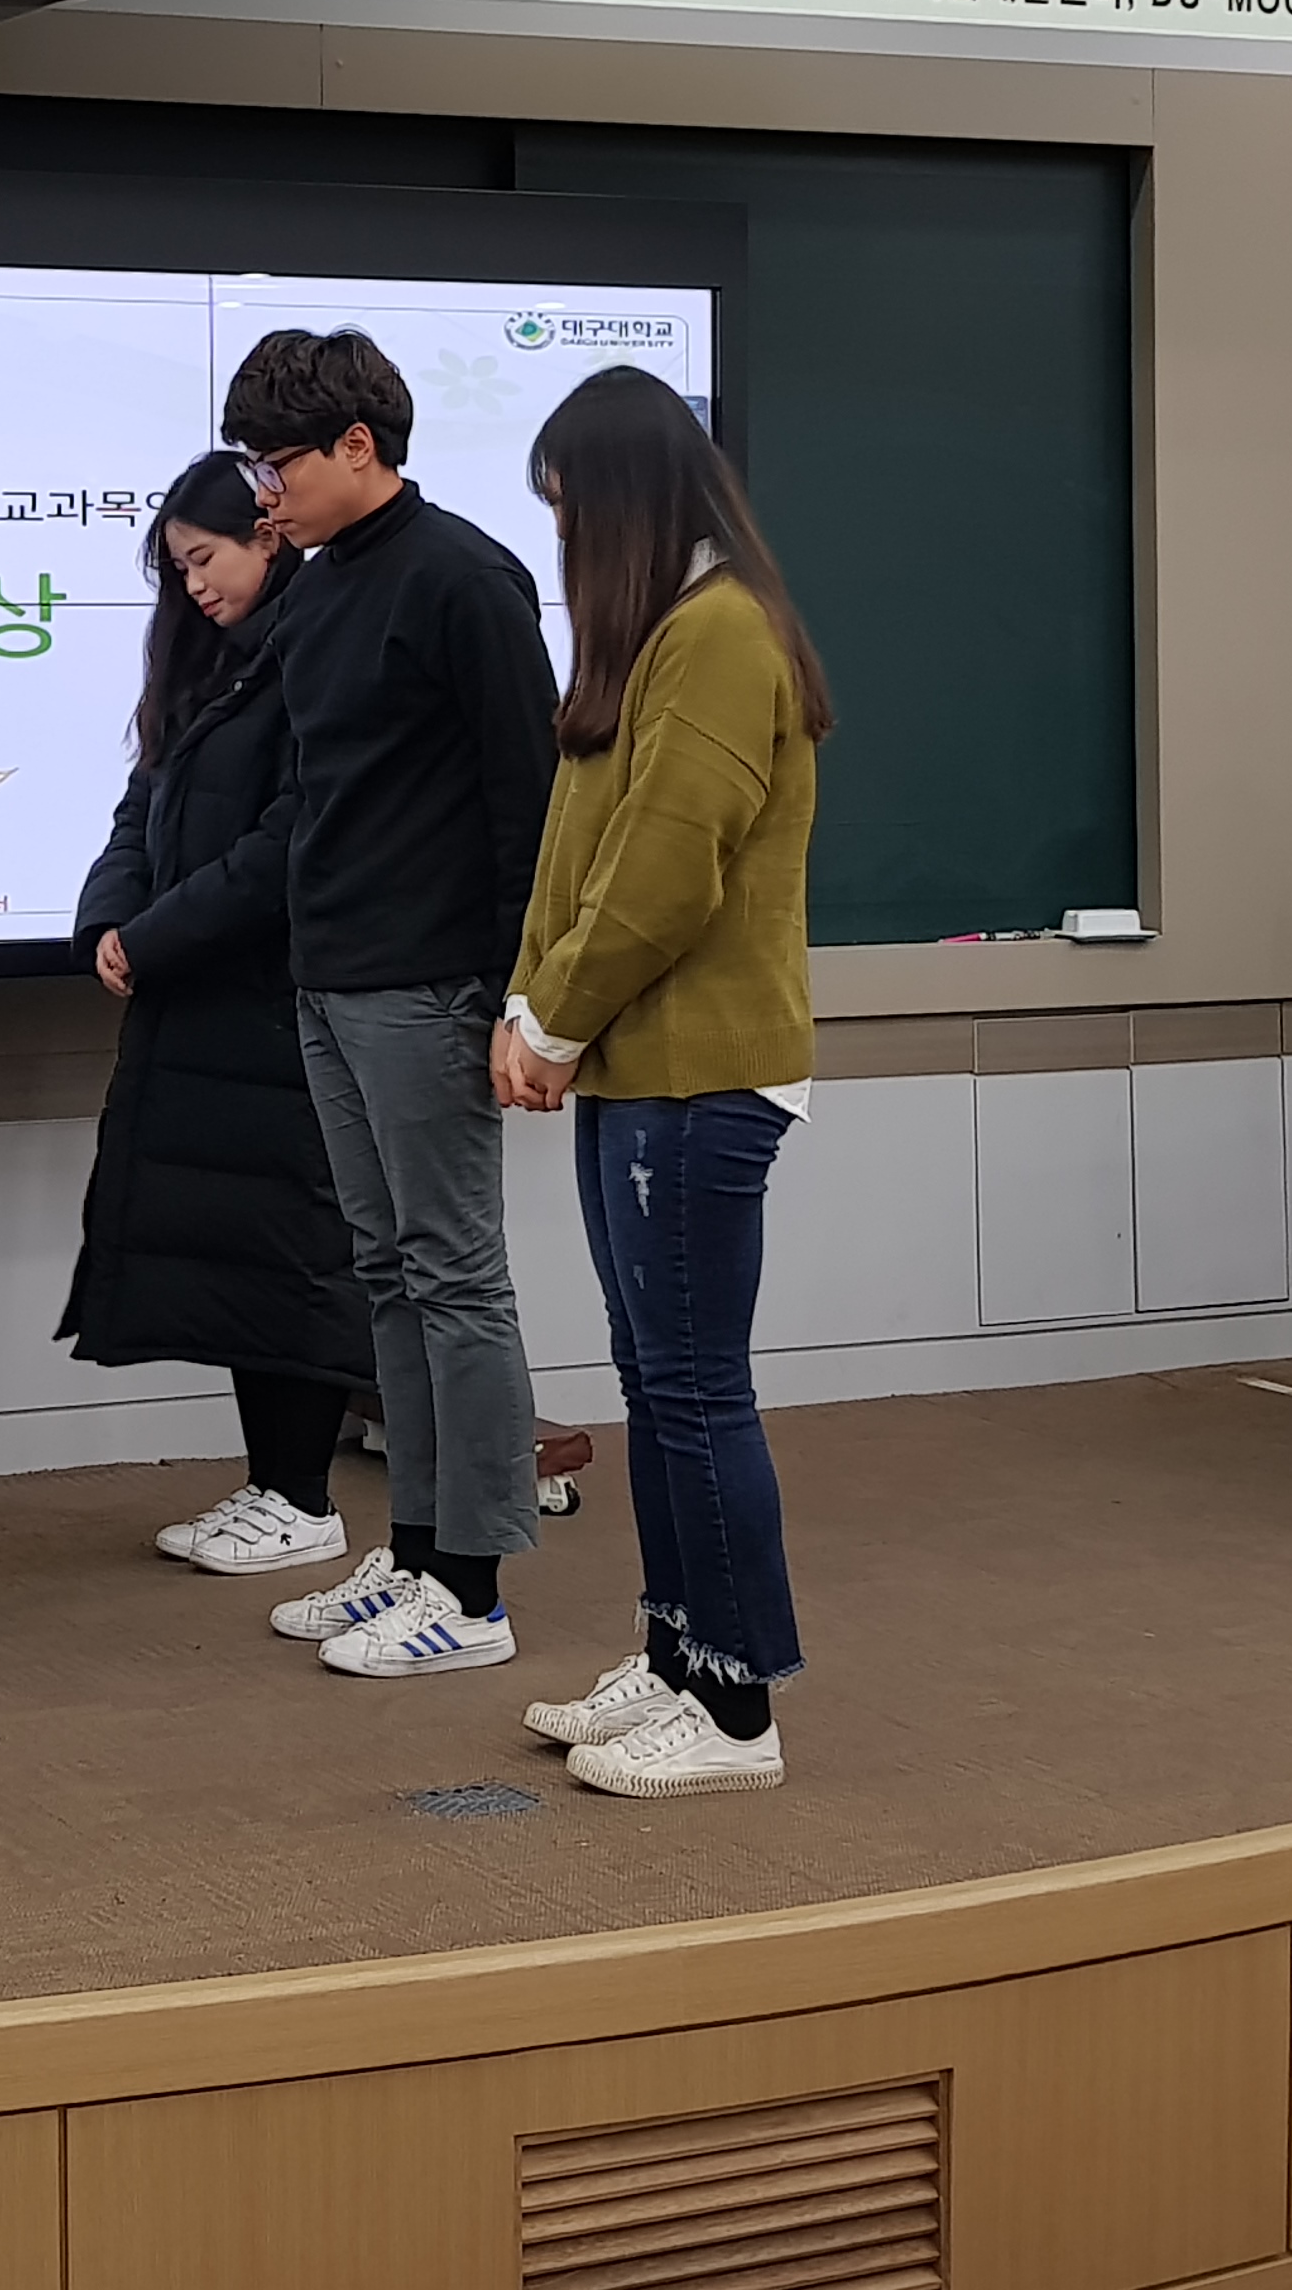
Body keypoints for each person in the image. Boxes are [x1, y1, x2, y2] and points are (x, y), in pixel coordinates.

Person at [490, 368, 834, 1799]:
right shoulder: (656, 641)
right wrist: (532, 1006)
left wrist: (556, 1020)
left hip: (700, 1076)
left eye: (568, 509)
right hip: (639, 1070)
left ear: (624, 505)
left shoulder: (718, 634)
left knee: (694, 1389)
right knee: (657, 1380)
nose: (563, 539)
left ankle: (737, 1707)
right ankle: (680, 1650)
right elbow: (579, 854)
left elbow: (663, 873)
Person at [219, 327, 561, 1682]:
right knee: (386, 1273)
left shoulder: (465, 578)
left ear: (358, 446)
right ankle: (416, 1549)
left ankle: (473, 1588)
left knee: (455, 1274)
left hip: (431, 982)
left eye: (279, 465)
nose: (264, 493)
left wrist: (522, 997)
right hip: (331, 974)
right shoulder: (319, 584)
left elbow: (529, 798)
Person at [67, 453, 374, 1579]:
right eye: (178, 570)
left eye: (206, 560)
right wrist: (108, 921)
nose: (193, 586)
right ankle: (272, 1485)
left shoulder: (316, 654)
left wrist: (153, 938)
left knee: (294, 1251)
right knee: (238, 1254)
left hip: (282, 1007)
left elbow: (286, 845)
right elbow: (139, 809)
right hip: (198, 1010)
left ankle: (304, 1497)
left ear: (269, 537)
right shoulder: (208, 668)